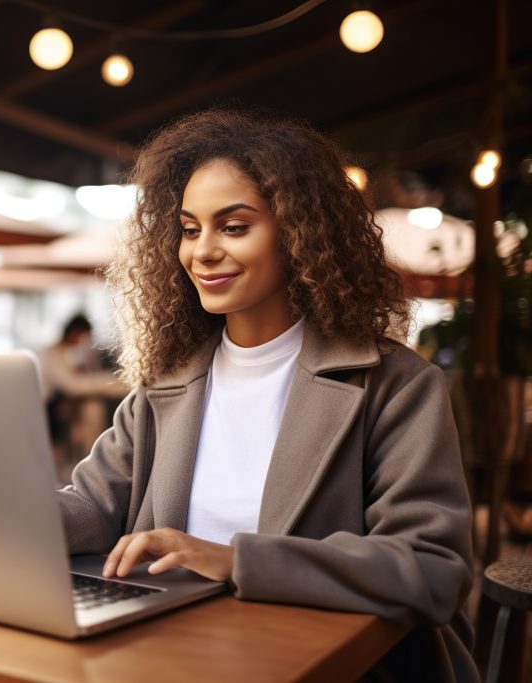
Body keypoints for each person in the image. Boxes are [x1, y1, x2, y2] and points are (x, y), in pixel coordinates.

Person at [57, 110, 476, 682]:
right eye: (188, 228)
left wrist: (235, 560)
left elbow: (432, 570)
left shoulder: (395, 385)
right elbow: (94, 507)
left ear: (300, 233)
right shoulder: (166, 383)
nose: (202, 251)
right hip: (172, 655)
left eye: (234, 226)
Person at [39, 314, 128, 481]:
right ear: (73, 332)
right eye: (82, 336)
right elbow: (71, 385)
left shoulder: (74, 352)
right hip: (51, 407)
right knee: (92, 407)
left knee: (93, 407)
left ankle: (89, 465)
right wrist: (111, 383)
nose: (83, 340)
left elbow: (80, 380)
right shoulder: (50, 354)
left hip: (69, 405)